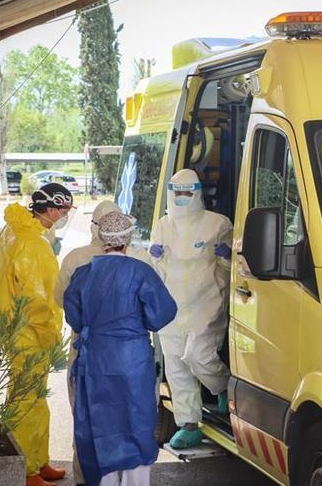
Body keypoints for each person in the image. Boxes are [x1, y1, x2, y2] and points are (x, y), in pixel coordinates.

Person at [64, 211, 177, 486]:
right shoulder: (141, 272)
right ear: (127, 240)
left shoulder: (83, 274)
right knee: (135, 424)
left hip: (95, 362)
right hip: (132, 363)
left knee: (99, 426)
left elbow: (75, 319)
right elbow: (162, 314)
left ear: (102, 238)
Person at [54, 200, 143, 486]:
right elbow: (161, 311)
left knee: (86, 419)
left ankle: (86, 479)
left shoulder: (76, 260)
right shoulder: (140, 261)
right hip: (130, 356)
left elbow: (62, 302)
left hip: (87, 353)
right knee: (129, 419)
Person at [0, 183, 73, 486]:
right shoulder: (34, 245)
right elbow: (40, 298)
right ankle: (26, 471)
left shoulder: (13, 230)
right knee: (27, 400)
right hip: (29, 331)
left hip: (14, 325)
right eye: (64, 211)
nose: (65, 216)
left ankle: (38, 462)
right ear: (51, 209)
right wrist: (51, 334)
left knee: (33, 397)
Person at [149, 169, 233, 450]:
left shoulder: (217, 224)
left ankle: (221, 386)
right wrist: (155, 258)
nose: (182, 198)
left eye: (188, 193)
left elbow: (235, 268)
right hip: (171, 305)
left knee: (198, 355)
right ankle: (189, 424)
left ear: (198, 193)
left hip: (206, 301)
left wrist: (226, 259)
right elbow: (155, 267)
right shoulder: (163, 225)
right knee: (176, 366)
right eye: (177, 193)